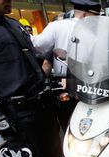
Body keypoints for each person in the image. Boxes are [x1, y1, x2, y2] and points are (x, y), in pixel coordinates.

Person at [0, 0, 64, 157]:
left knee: (53, 146)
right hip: (16, 108)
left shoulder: (13, 24)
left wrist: (47, 58)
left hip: (41, 99)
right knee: (28, 154)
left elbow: (29, 56)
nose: (9, 1)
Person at [32, 0, 101, 130]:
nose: (98, 20)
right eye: (96, 16)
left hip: (70, 87)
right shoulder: (96, 32)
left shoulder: (56, 26)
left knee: (70, 124)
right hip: (89, 86)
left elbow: (35, 45)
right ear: (85, 15)